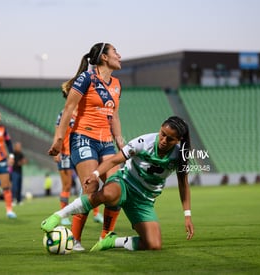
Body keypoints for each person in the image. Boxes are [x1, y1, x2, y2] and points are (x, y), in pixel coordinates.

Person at [42, 116, 195, 251]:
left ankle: (112, 241)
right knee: (107, 194)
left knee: (153, 245)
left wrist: (187, 215)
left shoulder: (179, 155)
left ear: (178, 140)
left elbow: (183, 184)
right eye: (163, 134)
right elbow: (115, 160)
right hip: (125, 183)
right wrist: (95, 174)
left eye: (170, 139)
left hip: (144, 200)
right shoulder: (144, 142)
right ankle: (57, 216)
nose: (163, 140)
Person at [47, 42, 125, 251]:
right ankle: (75, 240)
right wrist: (58, 139)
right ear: (104, 58)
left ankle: (105, 238)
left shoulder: (117, 84)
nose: (119, 55)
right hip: (83, 138)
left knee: (116, 189)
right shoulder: (86, 78)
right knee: (90, 186)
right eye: (115, 51)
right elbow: (68, 108)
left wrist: (120, 141)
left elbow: (114, 115)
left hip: (107, 142)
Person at [54, 91, 103, 226]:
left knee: (89, 184)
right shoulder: (63, 114)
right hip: (65, 153)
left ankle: (96, 213)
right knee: (67, 185)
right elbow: (58, 132)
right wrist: (57, 151)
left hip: (80, 152)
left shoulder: (84, 113)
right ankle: (64, 215)